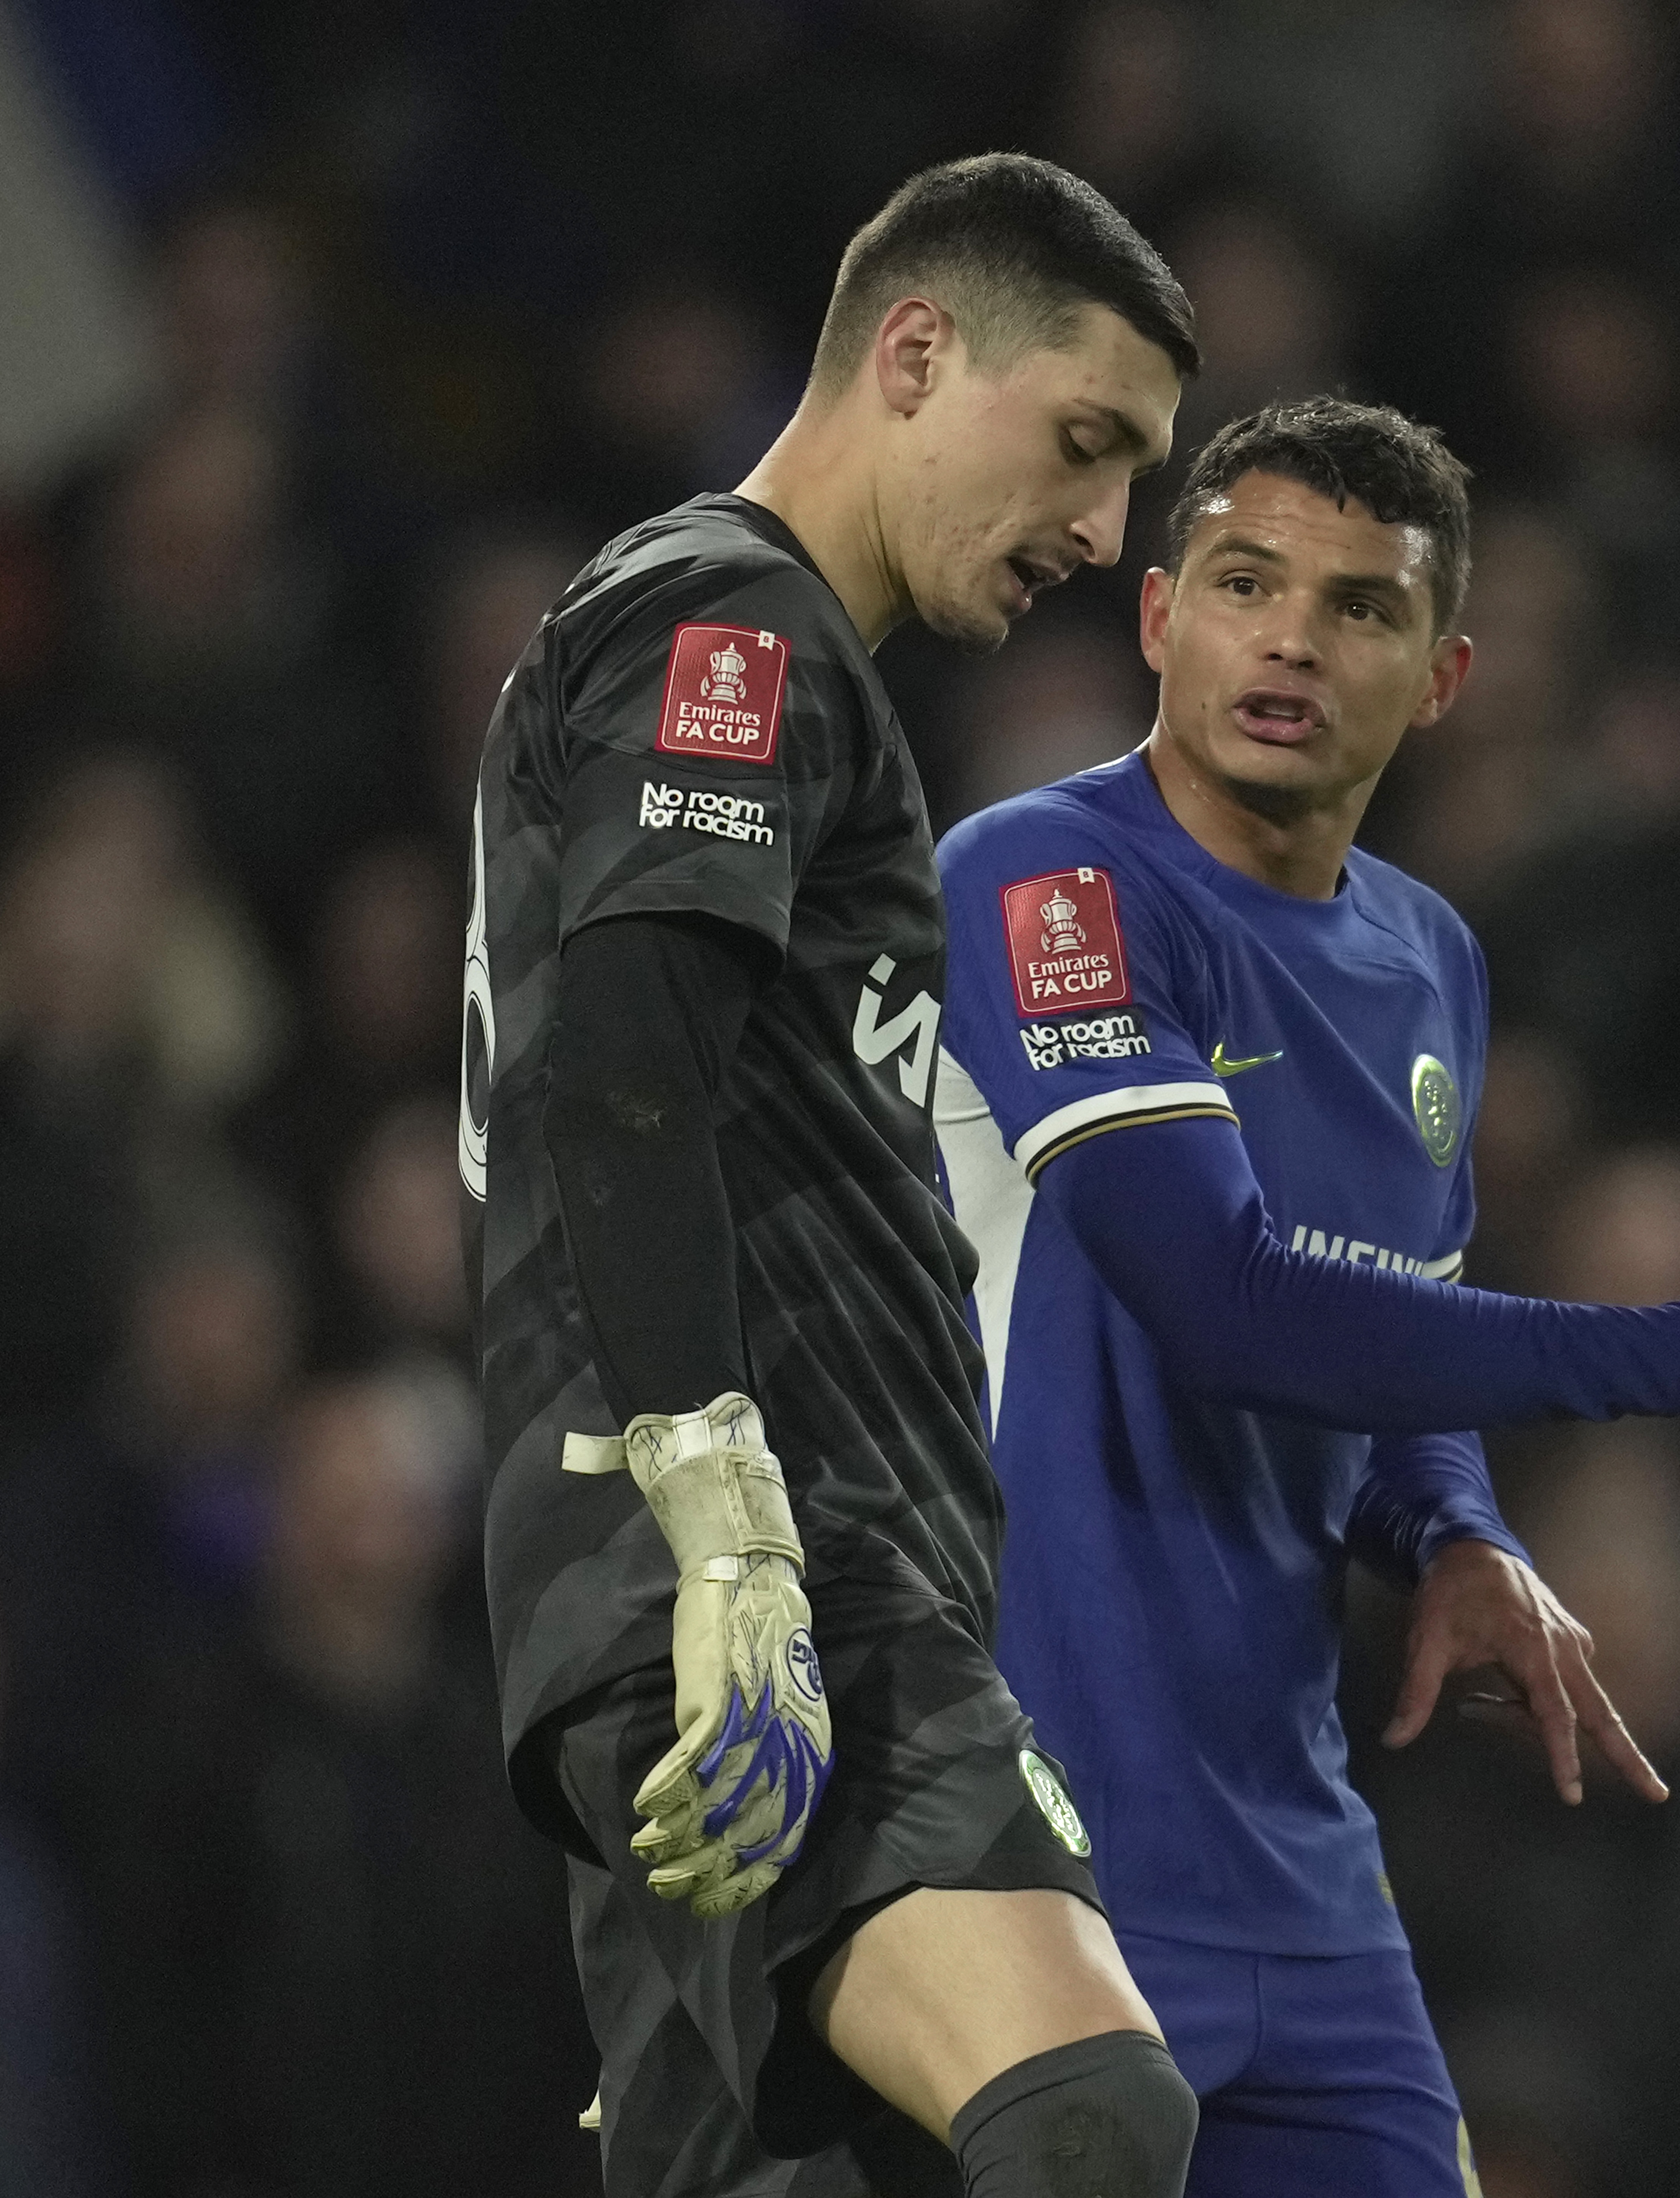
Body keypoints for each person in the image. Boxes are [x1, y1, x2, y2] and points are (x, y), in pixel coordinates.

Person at [928, 396, 1680, 2193]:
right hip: (1022, 1838)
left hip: (1291, 1851)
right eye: (1247, 584)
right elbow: (1223, 1298)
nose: (1294, 640)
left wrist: (1463, 1533)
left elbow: (1385, 1348)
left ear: (1447, 674)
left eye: (1361, 607)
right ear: (1161, 620)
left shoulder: (1431, 961)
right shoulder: (1045, 879)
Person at [463, 155, 1202, 2196]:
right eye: (1083, 446)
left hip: (721, 1593)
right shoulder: (735, 610)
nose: (1104, 532)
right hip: (772, 1573)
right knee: (1087, 2113)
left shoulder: (751, 657)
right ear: (912, 353)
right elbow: (625, 1072)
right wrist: (733, 1535)